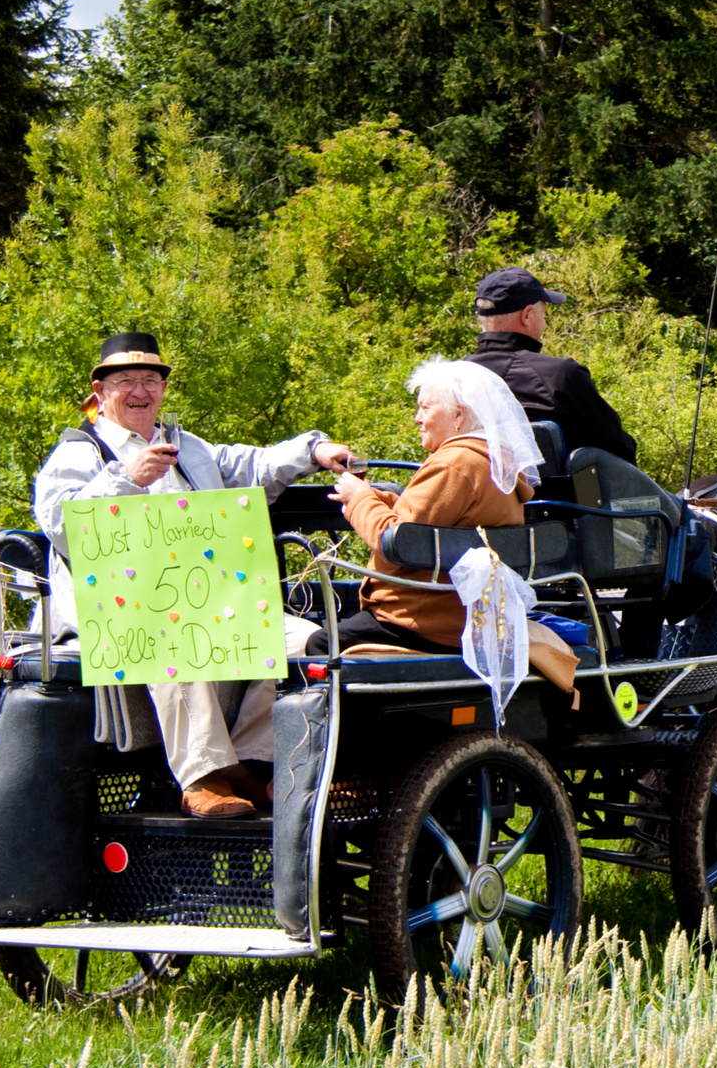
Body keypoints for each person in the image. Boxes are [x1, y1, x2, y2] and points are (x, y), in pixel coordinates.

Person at [34, 333, 355, 818]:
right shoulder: (78, 454)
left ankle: (250, 758)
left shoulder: (187, 447)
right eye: (126, 382)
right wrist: (126, 479)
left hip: (203, 597)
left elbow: (254, 465)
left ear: (163, 391)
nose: (140, 391)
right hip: (121, 608)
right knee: (173, 631)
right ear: (100, 394)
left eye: (150, 381)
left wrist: (314, 450)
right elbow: (62, 527)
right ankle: (201, 776)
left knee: (310, 639)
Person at [310, 359, 542, 655]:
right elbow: (435, 524)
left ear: (458, 415)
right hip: (464, 616)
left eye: (425, 408)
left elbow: (397, 540)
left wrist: (358, 498)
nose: (417, 418)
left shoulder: (454, 464)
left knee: (317, 645)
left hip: (423, 621)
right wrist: (376, 496)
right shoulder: (490, 462)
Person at [466, 266, 638, 463]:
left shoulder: (452, 378)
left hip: (479, 492)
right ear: (527, 316)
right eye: (544, 315)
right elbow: (619, 446)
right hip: (557, 494)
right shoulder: (560, 375)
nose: (546, 324)